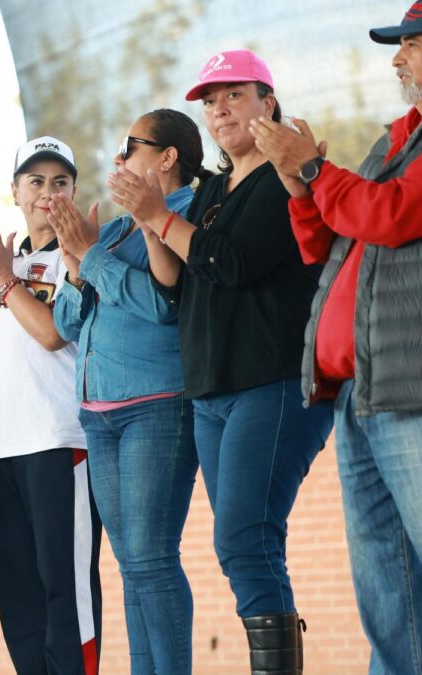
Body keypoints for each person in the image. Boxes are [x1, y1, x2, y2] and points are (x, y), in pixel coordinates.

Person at [109, 50, 334, 672]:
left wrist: (159, 216)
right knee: (242, 541)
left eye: (233, 95)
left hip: (276, 381)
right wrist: (150, 221)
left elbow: (232, 263)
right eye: (209, 101)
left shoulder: (284, 178)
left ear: (268, 100)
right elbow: (176, 286)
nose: (218, 109)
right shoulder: (209, 189)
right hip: (211, 391)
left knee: (244, 537)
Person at [248, 6, 422, 671]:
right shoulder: (393, 142)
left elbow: (393, 215)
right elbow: (329, 242)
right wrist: (300, 184)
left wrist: (319, 175)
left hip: (411, 389)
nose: (396, 60)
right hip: (361, 391)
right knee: (385, 583)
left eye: (409, 45)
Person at [50, 110, 208, 673]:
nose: (119, 157)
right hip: (98, 412)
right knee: (131, 564)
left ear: (167, 157)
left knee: (151, 559)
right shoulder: (115, 230)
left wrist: (90, 258)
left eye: (131, 145)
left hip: (157, 405)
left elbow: (162, 307)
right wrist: (74, 264)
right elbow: (68, 323)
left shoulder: (191, 213)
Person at [0, 137, 102, 674]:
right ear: (15, 191)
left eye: (60, 182)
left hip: (61, 441)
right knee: (18, 593)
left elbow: (54, 334)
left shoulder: (80, 254)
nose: (47, 192)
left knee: (67, 587)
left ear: (74, 191)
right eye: (35, 181)